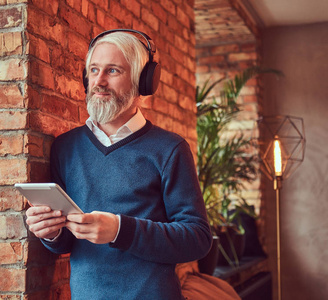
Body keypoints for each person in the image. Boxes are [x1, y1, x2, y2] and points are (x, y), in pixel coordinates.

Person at [25, 29, 212, 299]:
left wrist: (120, 230)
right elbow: (64, 244)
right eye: (93, 70)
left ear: (142, 81)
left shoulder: (171, 149)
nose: (98, 81)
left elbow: (197, 239)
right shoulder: (65, 147)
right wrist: (50, 232)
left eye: (112, 71)